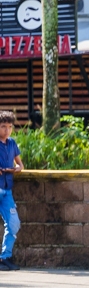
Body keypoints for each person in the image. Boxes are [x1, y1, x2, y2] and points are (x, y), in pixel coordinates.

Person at [0, 111, 22, 270]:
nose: (7, 130)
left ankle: (5, 257)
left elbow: (20, 164)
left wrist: (17, 168)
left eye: (9, 127)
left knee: (14, 224)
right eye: (3, 127)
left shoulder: (12, 143)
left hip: (7, 190)